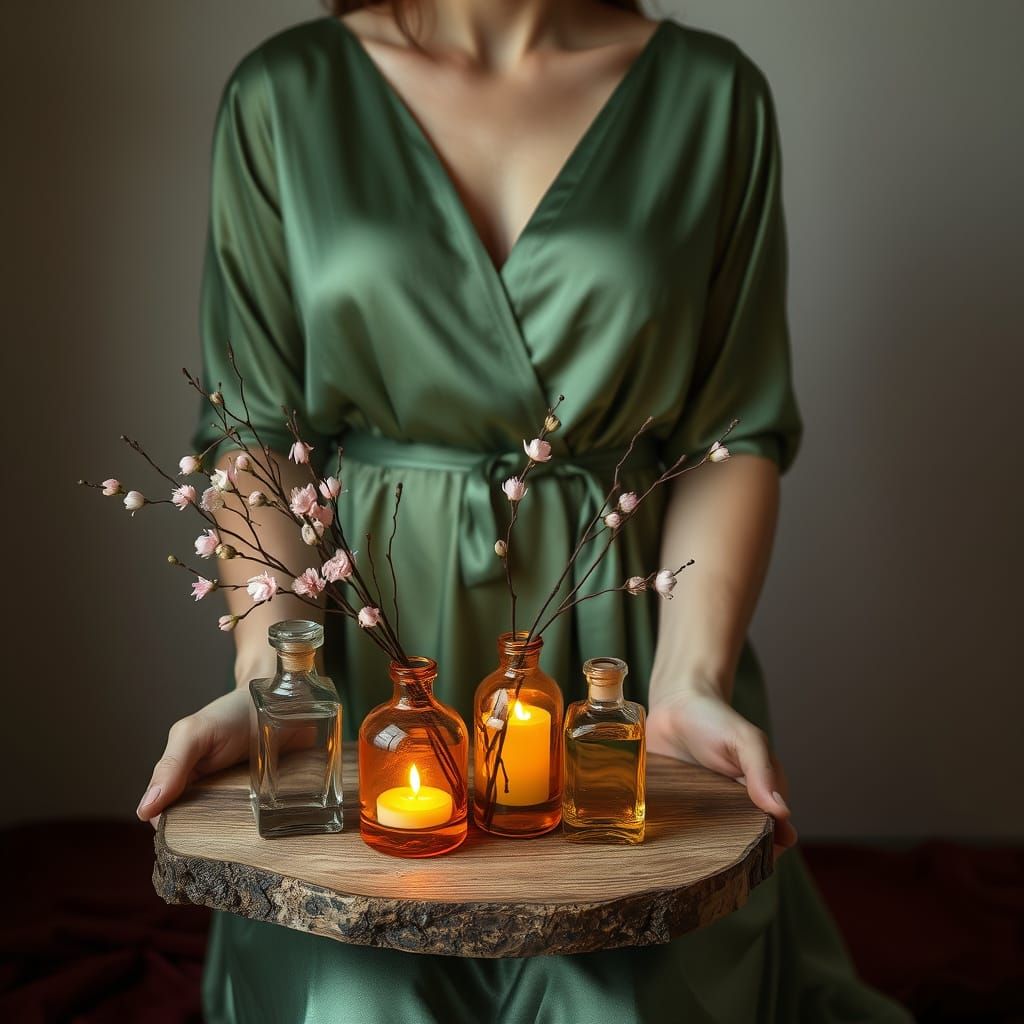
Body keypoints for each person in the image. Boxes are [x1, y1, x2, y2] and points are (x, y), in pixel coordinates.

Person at [136, 1, 914, 1020]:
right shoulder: (283, 96)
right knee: (360, 996)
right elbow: (252, 429)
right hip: (369, 668)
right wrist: (272, 680)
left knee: (618, 994)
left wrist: (688, 682)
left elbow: (731, 432)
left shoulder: (712, 100)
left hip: (614, 670)